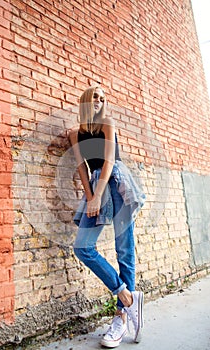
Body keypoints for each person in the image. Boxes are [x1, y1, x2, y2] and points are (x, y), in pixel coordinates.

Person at [68, 85, 146, 348]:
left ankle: (120, 318)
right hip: (95, 184)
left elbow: (110, 161)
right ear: (85, 102)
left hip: (116, 183)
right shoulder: (75, 134)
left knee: (124, 249)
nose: (100, 101)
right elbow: (81, 167)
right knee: (83, 247)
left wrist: (97, 195)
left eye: (103, 98)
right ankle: (126, 295)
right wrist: (90, 196)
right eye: (95, 97)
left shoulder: (107, 124)